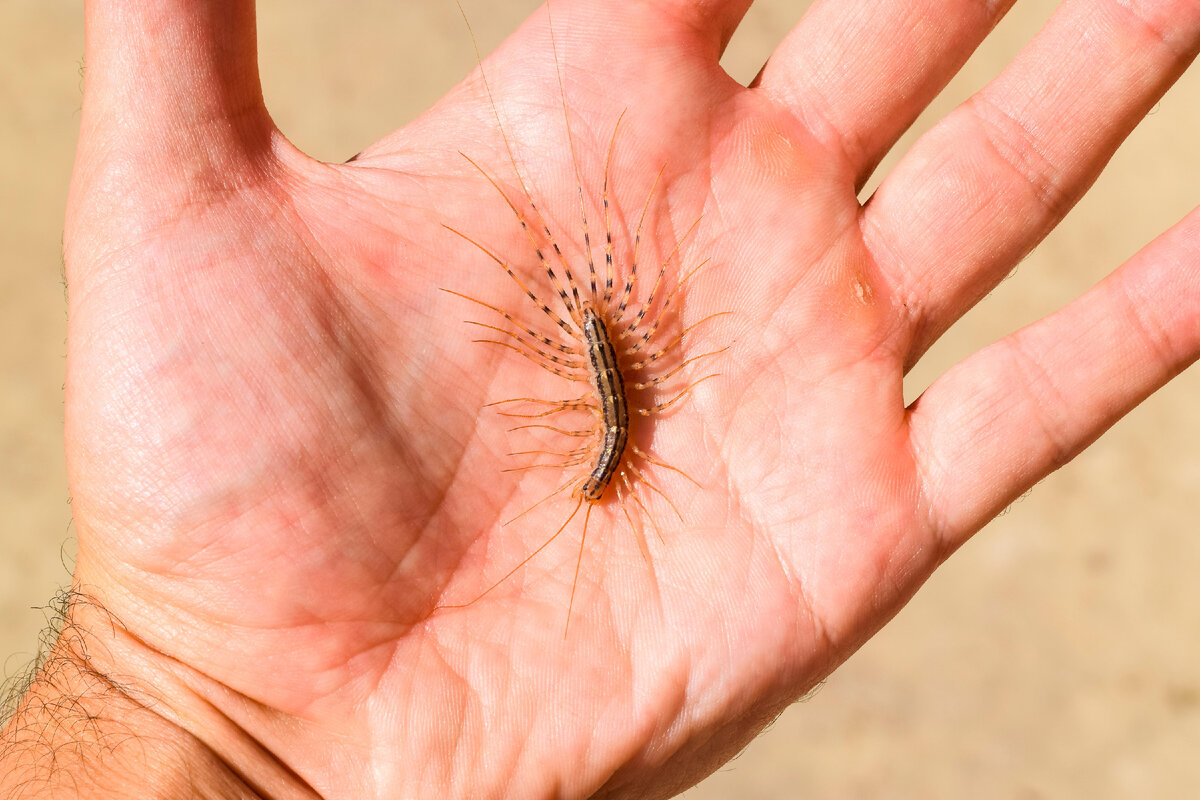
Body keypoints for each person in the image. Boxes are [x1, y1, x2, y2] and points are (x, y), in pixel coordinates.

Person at [2, 0, 1197, 797]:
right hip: (598, 342)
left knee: (602, 308)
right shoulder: (603, 430)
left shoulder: (610, 426)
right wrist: (185, 702)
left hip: (602, 344)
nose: (610, 465)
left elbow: (626, 404)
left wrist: (188, 702)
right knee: (597, 305)